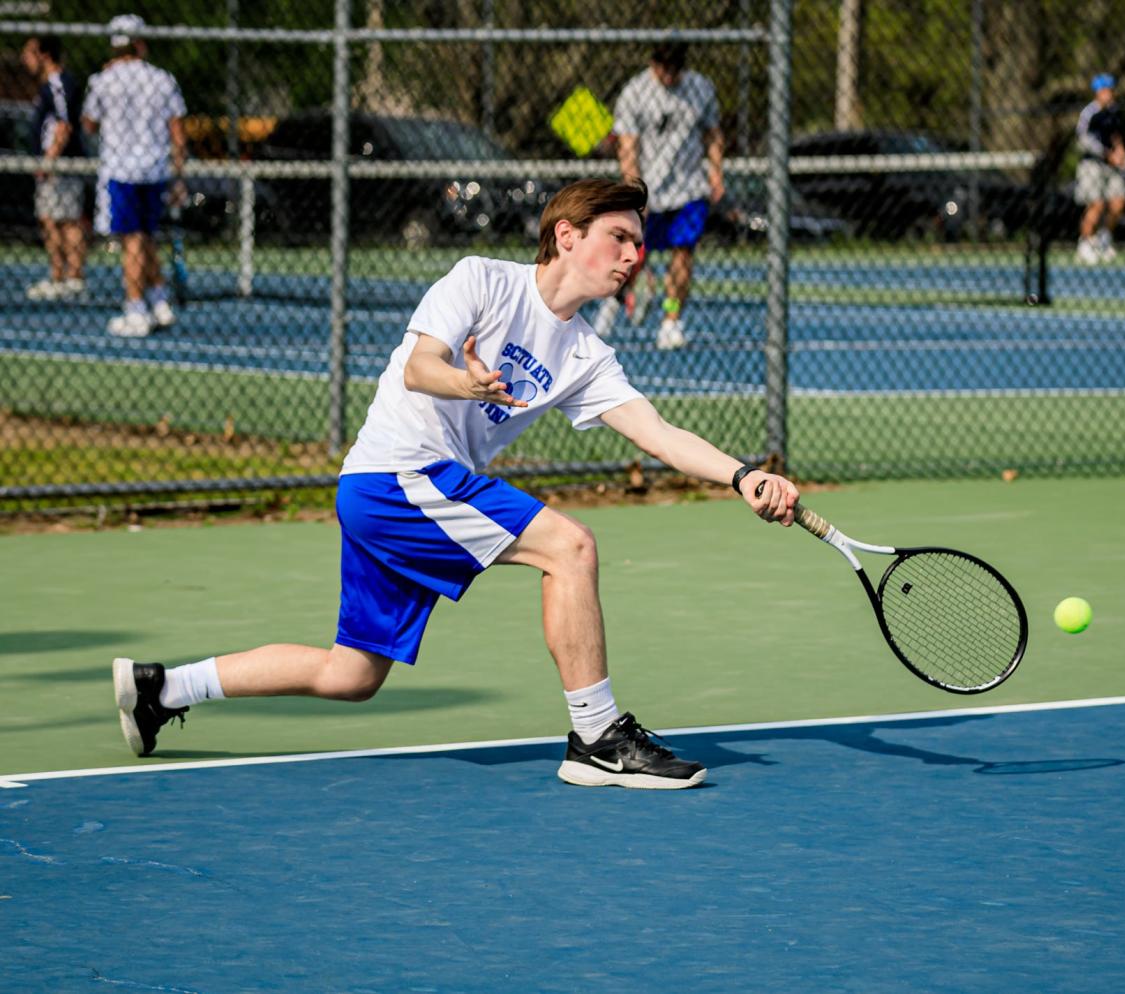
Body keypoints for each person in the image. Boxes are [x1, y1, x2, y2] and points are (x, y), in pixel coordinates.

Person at [111, 177, 801, 790]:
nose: (633, 256)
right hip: (398, 473)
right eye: (619, 237)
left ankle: (164, 688)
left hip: (395, 493)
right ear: (566, 236)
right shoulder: (482, 280)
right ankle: (597, 737)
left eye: (637, 244)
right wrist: (464, 382)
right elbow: (419, 367)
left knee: (350, 675)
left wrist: (742, 475)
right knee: (570, 547)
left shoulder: (587, 354)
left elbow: (658, 435)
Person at [606, 42, 725, 350]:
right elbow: (628, 147)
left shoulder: (701, 88)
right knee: (632, 256)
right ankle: (617, 298)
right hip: (650, 191)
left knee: (683, 253)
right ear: (653, 62)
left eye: (676, 69)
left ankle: (671, 320)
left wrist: (716, 173)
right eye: (665, 68)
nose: (670, 75)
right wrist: (635, 191)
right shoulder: (635, 92)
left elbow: (712, 134)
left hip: (690, 189)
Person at [81, 14, 186, 338]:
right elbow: (177, 131)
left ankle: (135, 307)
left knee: (133, 240)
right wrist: (179, 175)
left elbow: (89, 123)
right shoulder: (162, 79)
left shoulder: (104, 80)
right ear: (140, 44)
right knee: (146, 236)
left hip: (120, 168)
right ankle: (158, 299)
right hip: (154, 167)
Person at [20, 35, 88, 301]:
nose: (24, 60)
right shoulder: (46, 87)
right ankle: (58, 275)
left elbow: (64, 124)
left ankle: (74, 277)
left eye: (29, 53)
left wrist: (50, 160)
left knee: (67, 220)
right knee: (50, 220)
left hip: (62, 164)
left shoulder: (57, 84)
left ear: (44, 55)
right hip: (51, 165)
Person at [1074, 73, 1125, 265]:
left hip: (1112, 165)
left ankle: (1104, 239)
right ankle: (1086, 243)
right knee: (1095, 204)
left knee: (1118, 202)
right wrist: (1107, 154)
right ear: (1097, 92)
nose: (1109, 94)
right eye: (1105, 90)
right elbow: (1083, 140)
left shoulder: (1114, 111)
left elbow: (1116, 135)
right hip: (1092, 164)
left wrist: (1121, 153)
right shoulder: (1089, 113)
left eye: (1111, 90)